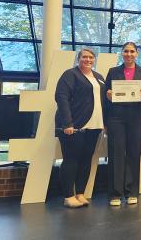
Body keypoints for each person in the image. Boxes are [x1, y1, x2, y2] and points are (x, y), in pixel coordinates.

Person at [55, 48, 105, 208]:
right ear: (79, 58)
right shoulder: (70, 74)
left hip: (94, 126)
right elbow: (61, 98)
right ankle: (68, 196)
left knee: (85, 160)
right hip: (74, 126)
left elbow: (103, 99)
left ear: (94, 59)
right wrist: (67, 123)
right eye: (84, 57)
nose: (88, 60)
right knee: (71, 160)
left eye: (91, 57)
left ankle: (80, 193)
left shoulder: (99, 77)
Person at [105, 42, 141, 206]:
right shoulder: (113, 72)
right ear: (122, 53)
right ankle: (115, 194)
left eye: (132, 51)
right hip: (115, 118)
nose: (129, 54)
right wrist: (109, 95)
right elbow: (106, 97)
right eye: (126, 51)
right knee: (116, 154)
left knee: (134, 153)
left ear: (137, 54)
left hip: (137, 118)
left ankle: (132, 191)